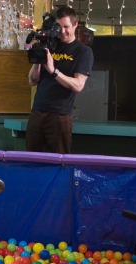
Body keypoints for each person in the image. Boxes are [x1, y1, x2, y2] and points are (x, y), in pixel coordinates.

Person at [26, 5, 93, 154]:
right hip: (37, 112)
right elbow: (32, 81)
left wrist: (53, 71)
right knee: (30, 159)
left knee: (59, 162)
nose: (62, 31)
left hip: (60, 115)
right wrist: (38, 59)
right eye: (59, 27)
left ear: (75, 25)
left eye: (66, 26)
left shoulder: (83, 51)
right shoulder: (50, 45)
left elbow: (78, 85)